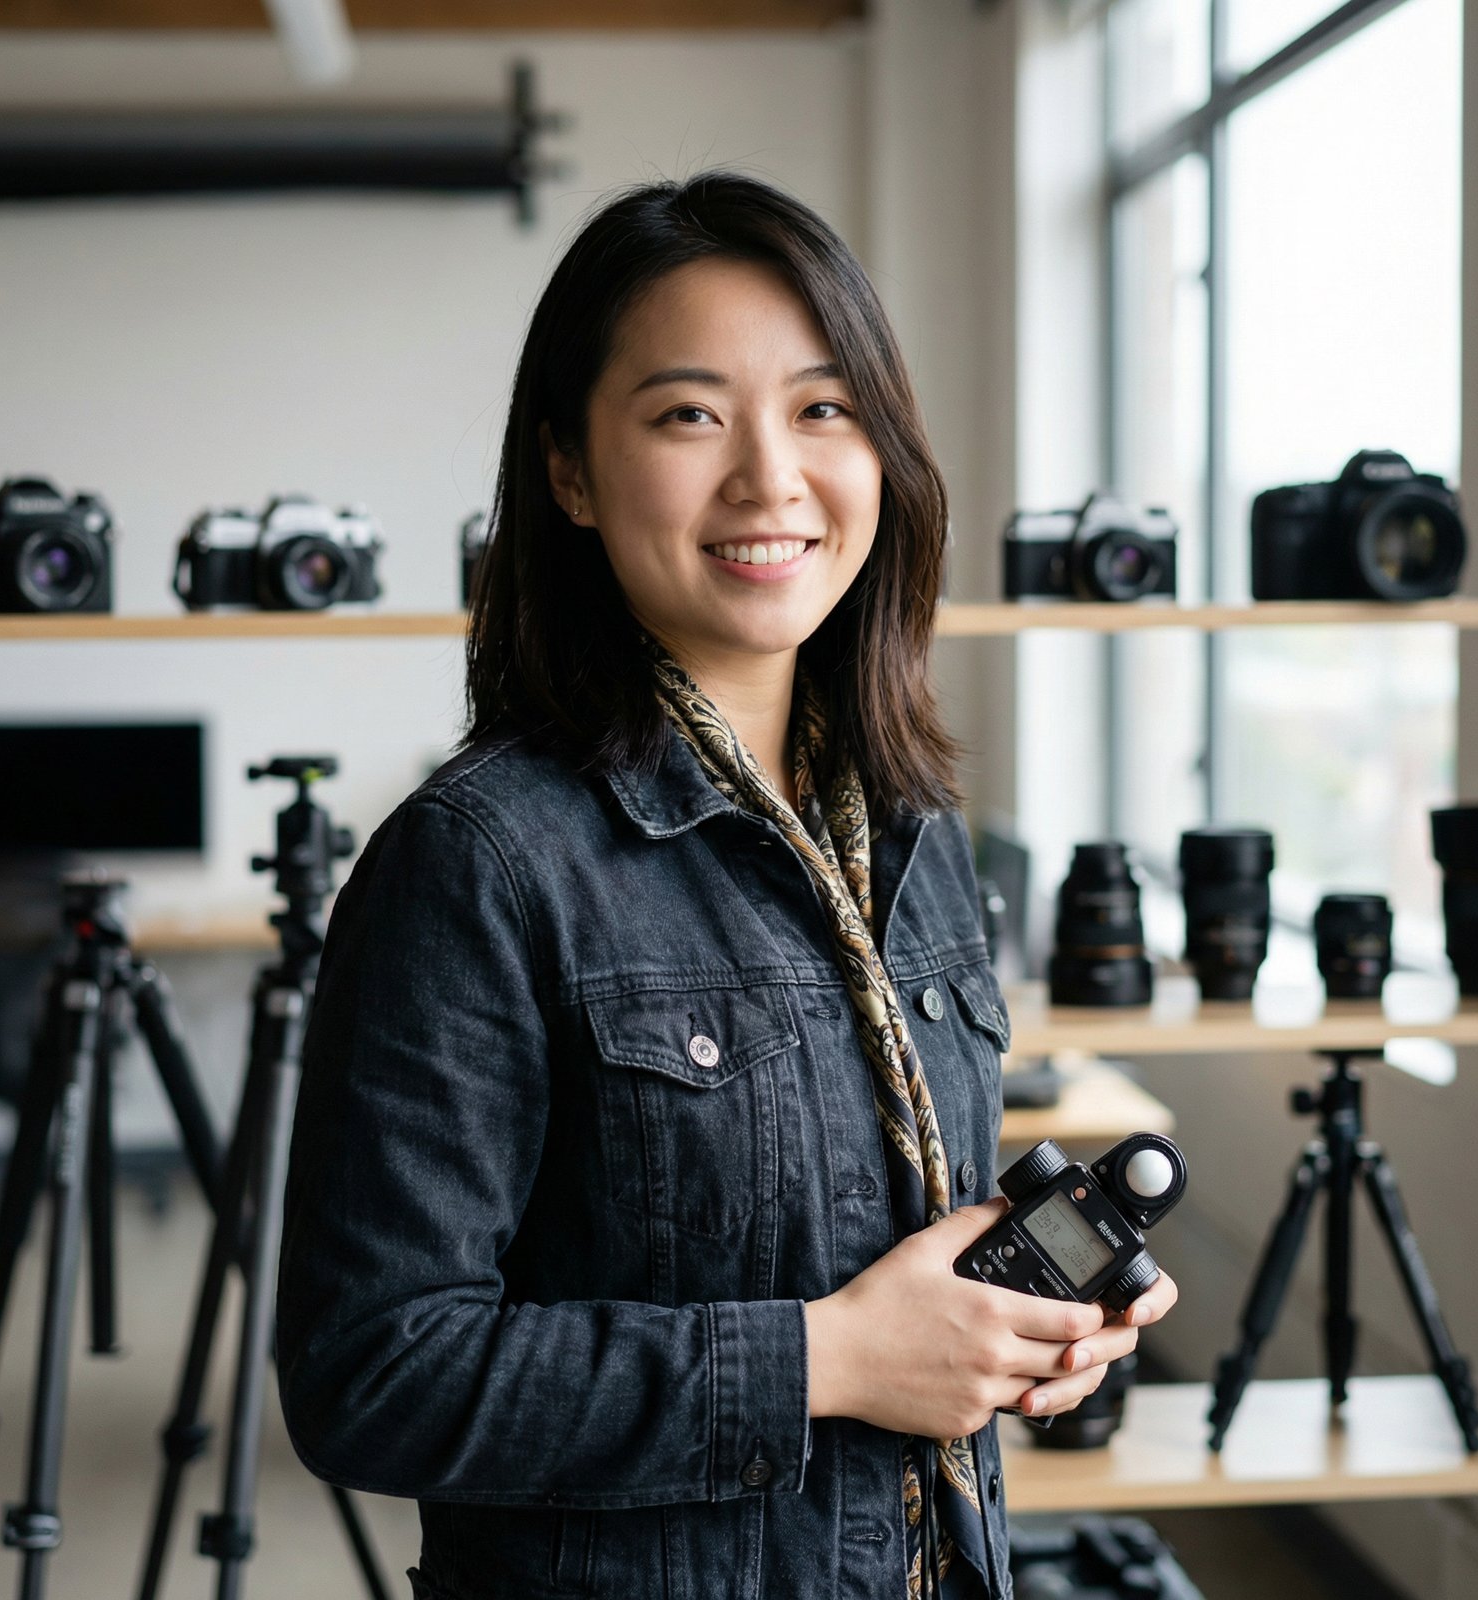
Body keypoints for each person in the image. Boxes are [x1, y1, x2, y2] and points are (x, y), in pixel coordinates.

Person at [275, 171, 1177, 1600]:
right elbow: (372, 1372)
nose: (771, 476)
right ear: (570, 470)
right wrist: (829, 1360)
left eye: (823, 408)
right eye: (690, 415)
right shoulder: (480, 863)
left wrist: (1015, 1328)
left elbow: (895, 1260)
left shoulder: (915, 830)